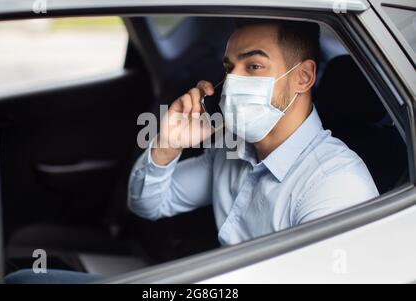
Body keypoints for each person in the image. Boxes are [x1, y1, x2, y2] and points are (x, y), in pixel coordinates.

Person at [128, 19, 379, 246]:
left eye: (254, 66)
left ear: (303, 77)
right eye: (229, 68)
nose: (232, 81)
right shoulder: (231, 149)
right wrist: (168, 145)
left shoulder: (335, 184)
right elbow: (148, 205)